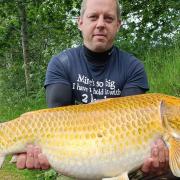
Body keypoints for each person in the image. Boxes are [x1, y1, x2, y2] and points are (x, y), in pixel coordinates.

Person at [15, 0, 174, 179]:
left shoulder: (133, 67)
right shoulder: (61, 63)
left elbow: (131, 124)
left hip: (119, 151)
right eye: (93, 17)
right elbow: (55, 119)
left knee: (167, 169)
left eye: (108, 18)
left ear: (118, 25)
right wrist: (39, 151)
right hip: (73, 152)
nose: (100, 24)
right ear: (80, 22)